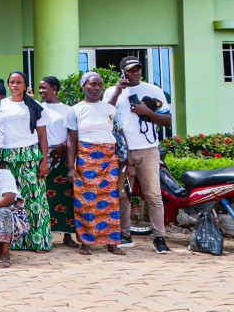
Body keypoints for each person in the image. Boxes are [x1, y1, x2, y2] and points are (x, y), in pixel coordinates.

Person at [107, 56, 172, 254]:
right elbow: (105, 115)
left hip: (148, 149)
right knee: (123, 194)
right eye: (131, 70)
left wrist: (146, 111)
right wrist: (118, 91)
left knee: (153, 195)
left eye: (138, 69)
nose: (135, 73)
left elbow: (167, 120)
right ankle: (125, 234)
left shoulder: (153, 90)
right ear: (122, 72)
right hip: (122, 151)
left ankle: (159, 237)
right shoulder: (112, 91)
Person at [65, 72, 126, 256]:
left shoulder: (110, 109)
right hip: (86, 158)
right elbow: (71, 140)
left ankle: (112, 242)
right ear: (84, 86)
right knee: (86, 201)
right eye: (92, 84)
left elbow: (120, 134)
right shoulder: (75, 110)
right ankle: (86, 242)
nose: (97, 88)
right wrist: (70, 166)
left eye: (100, 84)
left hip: (108, 158)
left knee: (110, 200)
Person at [0, 71, 52, 252]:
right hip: (6, 157)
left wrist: (45, 161)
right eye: (11, 82)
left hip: (29, 156)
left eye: (18, 82)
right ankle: (11, 241)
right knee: (9, 199)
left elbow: (43, 137)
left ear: (25, 85)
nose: (14, 85)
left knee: (33, 199)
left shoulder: (35, 106)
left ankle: (37, 241)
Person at [38, 75, 78, 248]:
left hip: (64, 156)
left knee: (67, 195)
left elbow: (73, 134)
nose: (41, 91)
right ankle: (47, 234)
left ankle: (68, 236)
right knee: (45, 196)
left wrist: (62, 146)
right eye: (40, 88)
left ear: (54, 88)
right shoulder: (38, 108)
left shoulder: (68, 110)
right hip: (45, 156)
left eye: (44, 87)